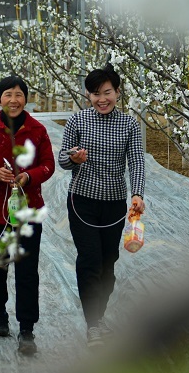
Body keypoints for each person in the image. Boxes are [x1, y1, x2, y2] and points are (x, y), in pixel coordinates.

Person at [58, 63, 145, 348]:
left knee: (109, 265)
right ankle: (93, 324)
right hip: (82, 200)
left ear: (118, 93)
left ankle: (99, 316)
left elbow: (136, 162)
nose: (101, 99)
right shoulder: (78, 121)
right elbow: (62, 158)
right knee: (91, 261)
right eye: (95, 93)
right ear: (88, 95)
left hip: (114, 204)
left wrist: (138, 194)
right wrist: (75, 159)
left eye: (107, 92)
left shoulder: (129, 124)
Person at [0, 75, 55, 355]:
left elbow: (49, 165)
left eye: (19, 94)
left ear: (25, 99)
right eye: (8, 95)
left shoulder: (37, 130)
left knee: (27, 271)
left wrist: (29, 176)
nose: (13, 100)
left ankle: (27, 328)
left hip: (28, 212)